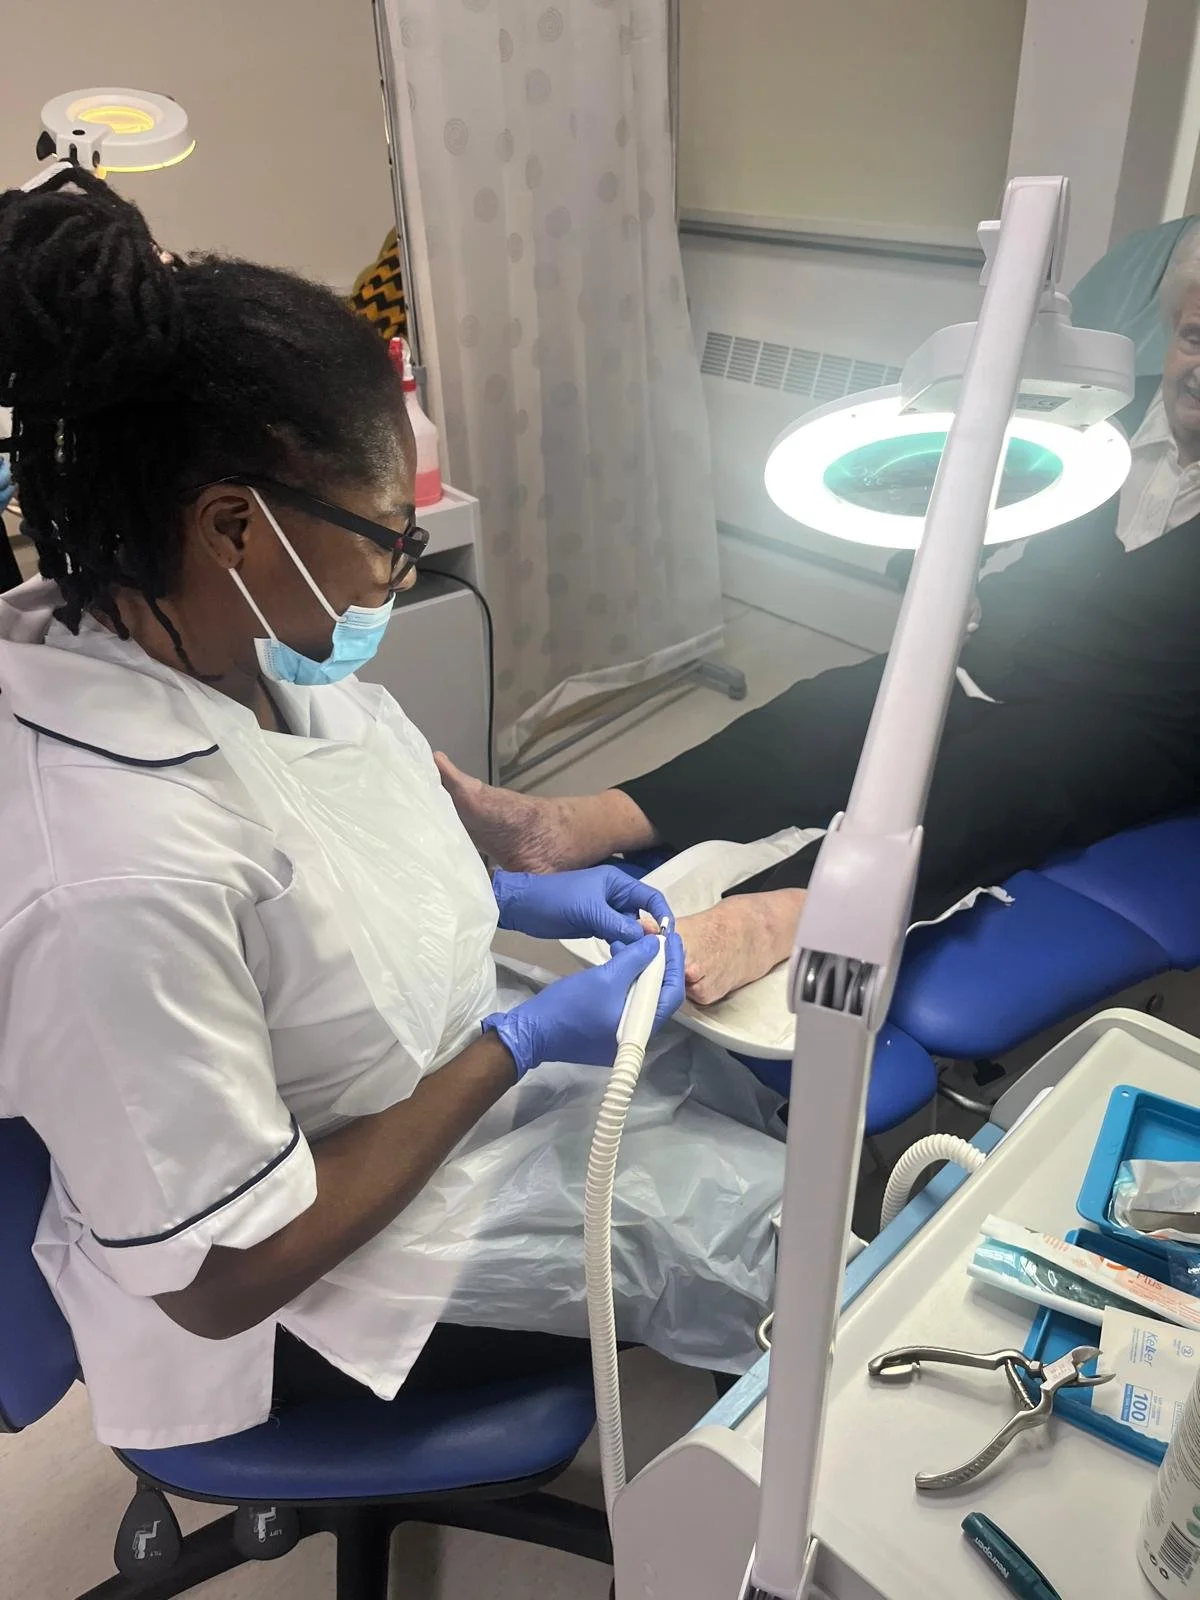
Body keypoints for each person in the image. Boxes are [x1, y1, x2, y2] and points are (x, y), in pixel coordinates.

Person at [0, 171, 785, 1450]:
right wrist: (518, 1047)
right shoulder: (105, 874)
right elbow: (220, 1279)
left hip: (417, 1082)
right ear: (236, 528)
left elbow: (347, 868)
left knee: (723, 1070)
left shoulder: (235, 648)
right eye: (385, 537)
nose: (395, 577)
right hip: (310, 1276)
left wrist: (524, 895)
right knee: (765, 1231)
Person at [439, 236, 1200, 1008]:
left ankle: (774, 917)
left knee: (996, 774)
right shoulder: (1098, 418)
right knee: (838, 705)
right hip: (1004, 653)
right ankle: (576, 826)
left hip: (1133, 723)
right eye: (1194, 337)